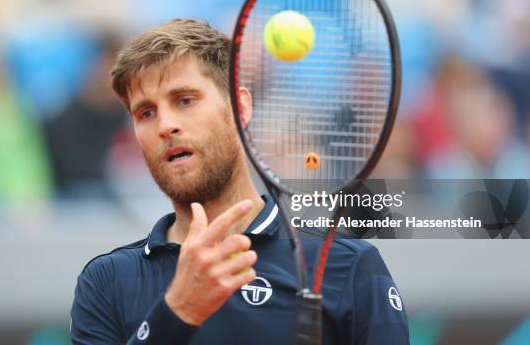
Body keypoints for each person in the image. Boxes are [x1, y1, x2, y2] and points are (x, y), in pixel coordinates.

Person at [70, 19, 410, 344]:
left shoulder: (349, 266)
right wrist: (178, 311)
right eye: (146, 112)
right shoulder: (106, 282)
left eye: (185, 100)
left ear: (240, 108)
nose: (165, 125)